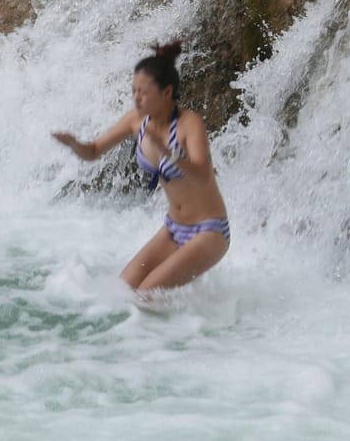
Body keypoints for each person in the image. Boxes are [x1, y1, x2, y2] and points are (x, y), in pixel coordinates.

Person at [51, 41, 231, 293]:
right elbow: (93, 152)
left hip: (210, 230)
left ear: (167, 93)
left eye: (143, 92)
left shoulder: (190, 124)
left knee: (146, 295)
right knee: (123, 291)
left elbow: (202, 175)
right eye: (134, 90)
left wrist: (171, 154)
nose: (136, 98)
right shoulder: (137, 121)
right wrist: (73, 143)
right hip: (174, 228)